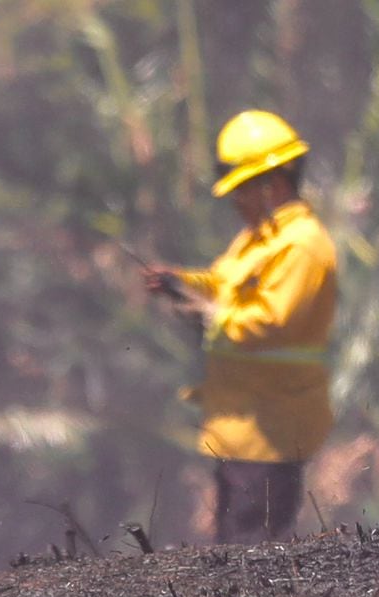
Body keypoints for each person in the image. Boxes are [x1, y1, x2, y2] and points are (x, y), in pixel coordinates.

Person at [143, 109, 338, 545]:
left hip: (272, 426)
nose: (236, 201)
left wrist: (208, 317)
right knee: (234, 546)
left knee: (253, 550)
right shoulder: (256, 241)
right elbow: (222, 283)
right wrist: (180, 283)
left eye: (242, 189)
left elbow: (272, 321)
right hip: (240, 424)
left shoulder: (302, 245)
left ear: (273, 184)